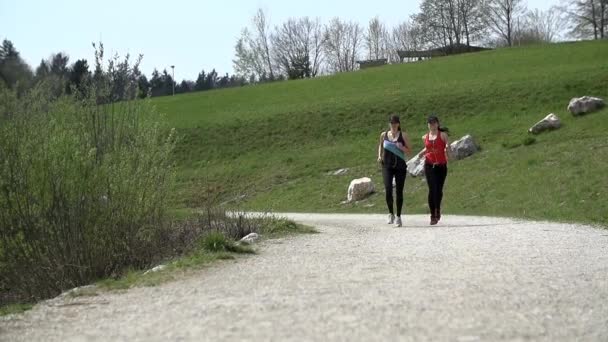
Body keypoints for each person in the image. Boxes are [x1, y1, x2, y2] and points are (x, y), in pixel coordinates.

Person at [377, 114, 412, 227]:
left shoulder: (404, 135)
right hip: (387, 165)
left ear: (399, 124)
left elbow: (409, 151)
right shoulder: (384, 135)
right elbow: (381, 146)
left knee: (399, 191)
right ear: (389, 124)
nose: (394, 125)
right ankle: (390, 213)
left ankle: (398, 216)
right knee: (388, 189)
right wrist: (379, 156)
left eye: (396, 123)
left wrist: (401, 147)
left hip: (400, 166)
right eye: (392, 123)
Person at [417, 115, 450, 225]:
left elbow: (447, 146)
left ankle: (438, 209)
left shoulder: (443, 135)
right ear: (428, 125)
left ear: (438, 124)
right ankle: (432, 215)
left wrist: (447, 149)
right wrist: (421, 153)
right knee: (432, 189)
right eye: (430, 123)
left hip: (441, 165)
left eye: (434, 123)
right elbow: (428, 147)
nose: (432, 125)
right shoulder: (425, 137)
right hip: (429, 165)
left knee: (438, 190)